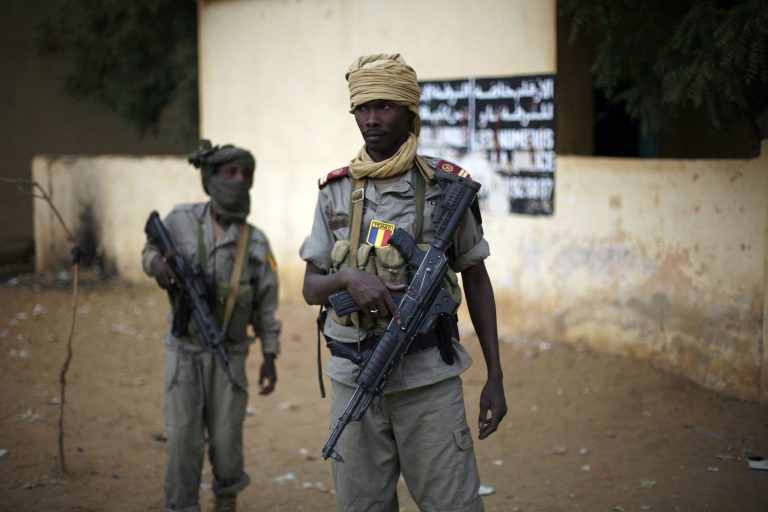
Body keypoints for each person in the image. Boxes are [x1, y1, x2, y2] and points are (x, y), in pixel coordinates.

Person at [299, 54, 507, 511]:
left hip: (427, 381)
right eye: (362, 108)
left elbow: (475, 276)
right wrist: (348, 278)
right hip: (354, 377)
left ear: (409, 111)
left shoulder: (445, 189)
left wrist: (495, 374)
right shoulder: (335, 191)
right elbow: (311, 288)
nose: (371, 119)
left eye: (384, 106)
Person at [142, 140, 281, 512]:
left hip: (229, 355)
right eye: (229, 172)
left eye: (244, 174)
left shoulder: (256, 242)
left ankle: (226, 502)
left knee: (226, 441)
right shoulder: (180, 220)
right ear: (211, 177)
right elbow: (150, 248)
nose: (238, 180)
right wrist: (157, 265)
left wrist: (270, 355)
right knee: (182, 440)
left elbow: (266, 305)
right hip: (184, 352)